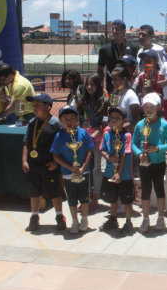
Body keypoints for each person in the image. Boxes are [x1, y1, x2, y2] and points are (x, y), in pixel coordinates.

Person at [22, 93, 66, 232]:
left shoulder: (55, 124)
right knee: (34, 192)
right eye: (33, 105)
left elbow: (62, 145)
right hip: (33, 165)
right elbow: (26, 143)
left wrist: (56, 162)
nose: (34, 108)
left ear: (48, 107)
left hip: (50, 165)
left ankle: (59, 216)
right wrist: (24, 160)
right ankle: (34, 216)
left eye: (38, 105)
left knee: (54, 192)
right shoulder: (31, 123)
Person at [132, 93, 167, 232]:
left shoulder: (164, 124)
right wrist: (139, 153)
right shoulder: (140, 125)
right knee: (146, 191)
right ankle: (146, 218)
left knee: (159, 189)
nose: (148, 109)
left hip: (159, 162)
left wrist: (158, 148)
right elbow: (134, 143)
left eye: (152, 106)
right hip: (144, 163)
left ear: (159, 107)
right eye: (146, 106)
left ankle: (161, 218)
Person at [50, 105, 94, 234]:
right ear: (61, 121)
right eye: (66, 119)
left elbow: (89, 151)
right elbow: (55, 155)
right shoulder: (59, 136)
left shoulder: (83, 133)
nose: (69, 122)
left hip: (83, 172)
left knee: (84, 197)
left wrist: (83, 167)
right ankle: (75, 220)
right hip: (67, 174)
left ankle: (84, 219)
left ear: (77, 119)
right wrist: (70, 167)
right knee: (72, 198)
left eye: (72, 119)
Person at [99, 107, 135, 235]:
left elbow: (124, 155)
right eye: (112, 117)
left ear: (124, 120)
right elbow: (102, 149)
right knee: (112, 197)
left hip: (123, 174)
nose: (114, 120)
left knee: (126, 199)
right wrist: (108, 156)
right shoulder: (107, 133)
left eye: (117, 118)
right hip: (109, 171)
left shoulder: (127, 135)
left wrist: (118, 173)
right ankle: (113, 219)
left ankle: (128, 222)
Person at [76, 73, 109, 209]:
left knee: (96, 168)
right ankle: (85, 197)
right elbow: (79, 119)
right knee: (84, 167)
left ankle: (95, 198)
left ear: (98, 86)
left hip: (97, 137)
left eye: (92, 85)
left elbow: (106, 120)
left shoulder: (104, 100)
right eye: (88, 84)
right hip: (84, 136)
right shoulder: (82, 100)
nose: (89, 87)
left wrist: (96, 132)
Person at [98, 19, 139, 93]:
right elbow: (100, 70)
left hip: (128, 87)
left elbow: (135, 68)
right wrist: (101, 88)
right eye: (112, 29)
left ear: (124, 31)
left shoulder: (133, 48)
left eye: (117, 29)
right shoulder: (104, 49)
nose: (114, 31)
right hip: (111, 87)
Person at [109, 67, 140, 131]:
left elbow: (136, 120)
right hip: (113, 132)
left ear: (124, 80)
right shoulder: (114, 94)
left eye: (116, 79)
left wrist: (120, 128)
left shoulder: (131, 96)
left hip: (125, 135)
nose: (113, 82)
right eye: (112, 79)